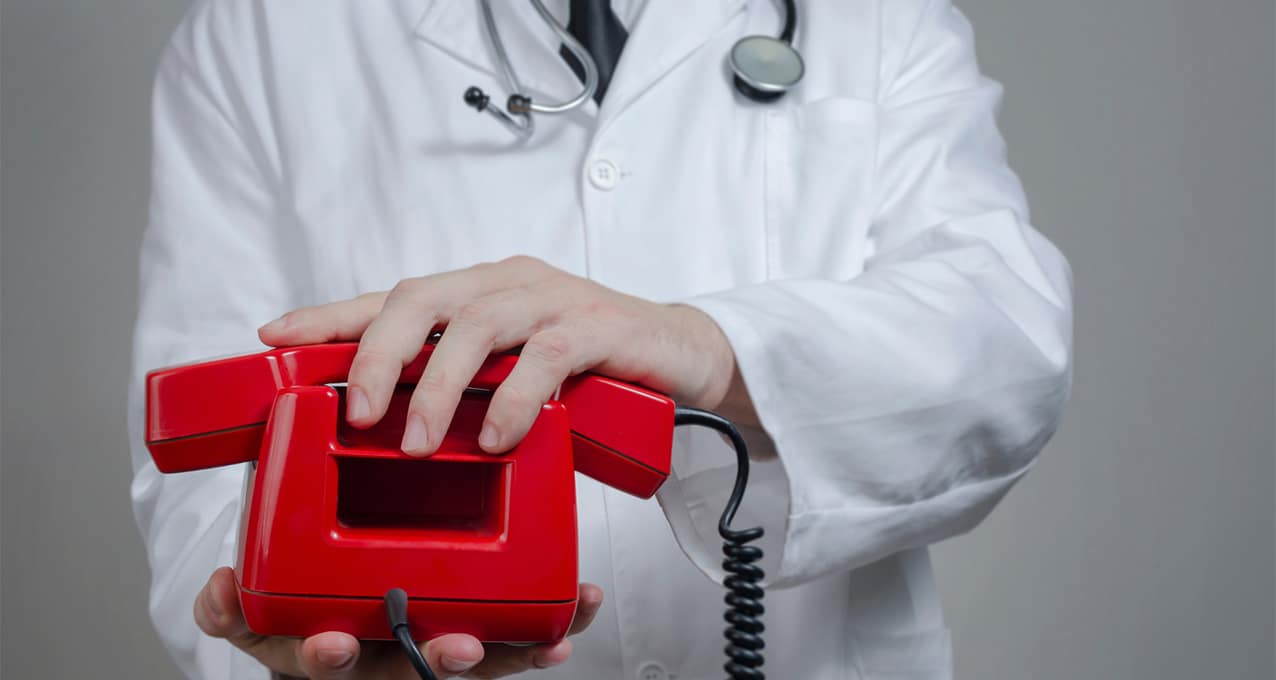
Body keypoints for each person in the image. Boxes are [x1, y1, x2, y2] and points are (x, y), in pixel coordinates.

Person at [128, 0, 1073, 678]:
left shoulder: (879, 22)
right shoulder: (257, 33)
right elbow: (197, 487)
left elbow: (1007, 343)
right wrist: (296, 641)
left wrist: (706, 348)